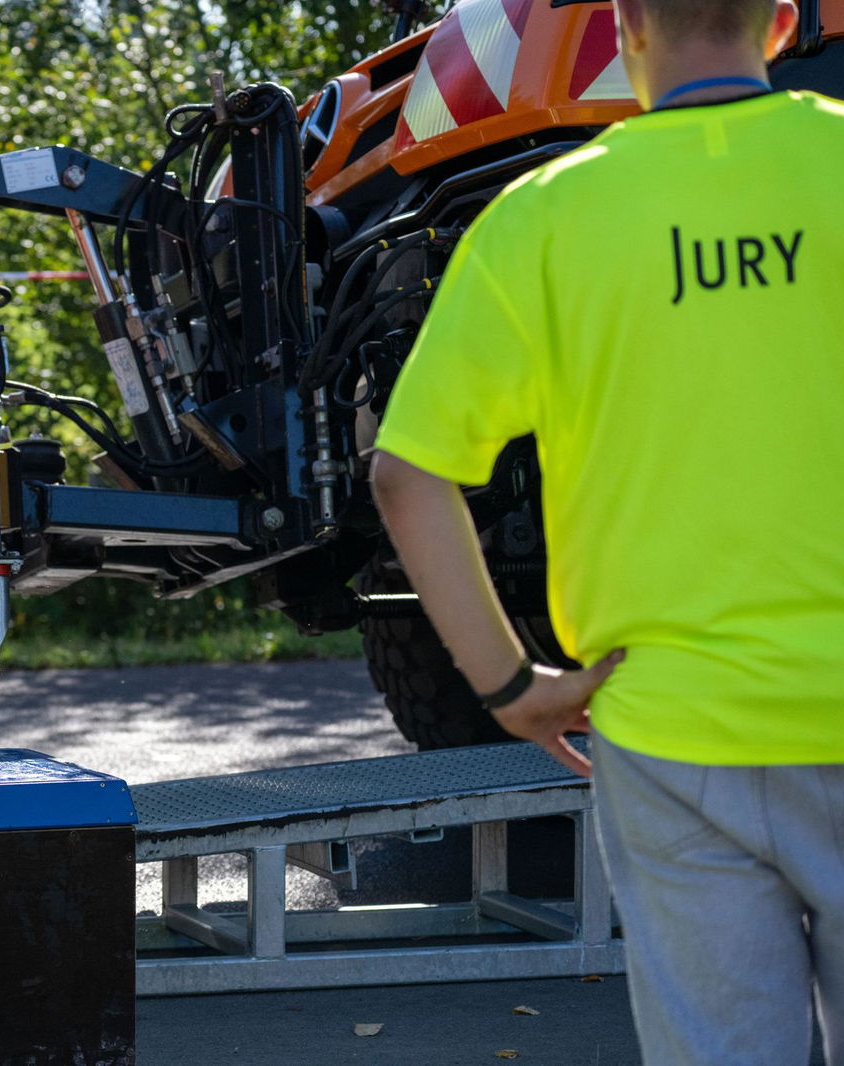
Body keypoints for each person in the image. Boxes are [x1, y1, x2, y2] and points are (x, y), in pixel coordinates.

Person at [368, 1, 844, 1062]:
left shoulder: (544, 218)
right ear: (779, 23)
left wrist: (510, 687)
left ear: (624, 25)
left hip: (673, 734)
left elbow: (406, 476)